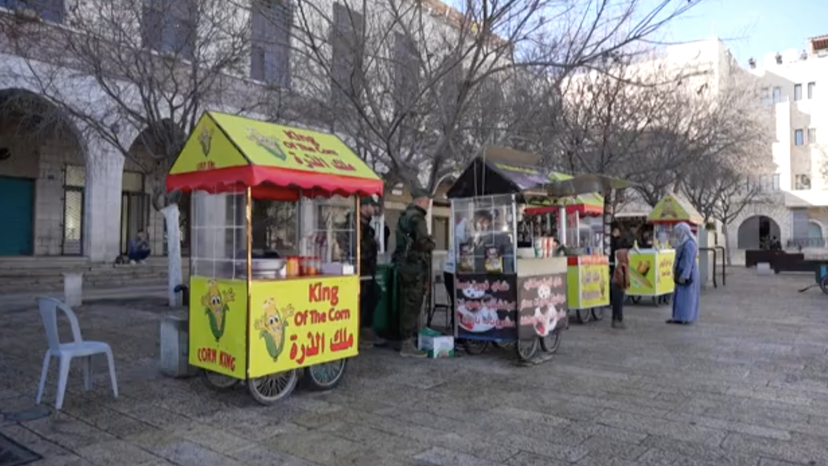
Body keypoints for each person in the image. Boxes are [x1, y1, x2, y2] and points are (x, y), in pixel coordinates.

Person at [392, 186, 436, 357]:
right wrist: (431, 243)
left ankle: (402, 339)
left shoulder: (404, 216)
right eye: (427, 201)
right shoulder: (417, 218)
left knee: (404, 302)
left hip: (404, 265)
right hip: (414, 266)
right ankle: (407, 344)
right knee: (412, 303)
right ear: (419, 201)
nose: (428, 204)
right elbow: (423, 242)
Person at [358, 196, 381, 348]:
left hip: (368, 270)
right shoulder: (356, 225)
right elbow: (357, 248)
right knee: (362, 301)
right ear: (364, 206)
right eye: (372, 206)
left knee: (372, 296)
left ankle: (366, 329)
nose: (375, 209)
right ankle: (360, 333)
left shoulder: (368, 227)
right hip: (361, 269)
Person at [668, 222, 700, 325]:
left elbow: (689, 262)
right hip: (681, 272)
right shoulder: (683, 242)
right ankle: (678, 316)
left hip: (687, 273)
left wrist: (684, 275)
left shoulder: (689, 244)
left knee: (686, 297)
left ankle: (685, 317)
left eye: (678, 232)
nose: (677, 234)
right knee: (680, 296)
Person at [611, 249, 630, 329]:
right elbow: (623, 278)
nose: (629, 257)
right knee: (619, 304)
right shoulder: (623, 266)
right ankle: (619, 320)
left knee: (616, 304)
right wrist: (625, 286)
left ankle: (614, 320)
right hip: (619, 286)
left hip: (616, 285)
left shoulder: (620, 265)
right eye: (628, 255)